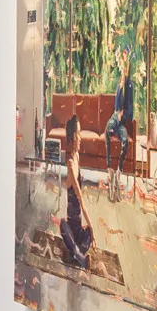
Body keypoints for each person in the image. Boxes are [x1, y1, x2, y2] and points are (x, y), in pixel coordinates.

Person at [60, 115, 94, 269]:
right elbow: (81, 200)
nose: (81, 138)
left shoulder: (77, 157)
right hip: (71, 226)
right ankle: (79, 256)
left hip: (78, 228)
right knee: (63, 224)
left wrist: (90, 229)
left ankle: (74, 255)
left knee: (88, 234)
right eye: (79, 134)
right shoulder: (70, 164)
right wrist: (92, 226)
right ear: (74, 137)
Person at [105, 49, 135, 196]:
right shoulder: (120, 84)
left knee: (125, 141)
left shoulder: (130, 86)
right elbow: (116, 106)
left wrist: (122, 114)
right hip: (114, 118)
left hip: (121, 122)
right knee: (107, 130)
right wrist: (118, 113)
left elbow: (130, 112)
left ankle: (119, 171)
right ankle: (109, 168)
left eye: (125, 65)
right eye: (122, 65)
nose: (123, 68)